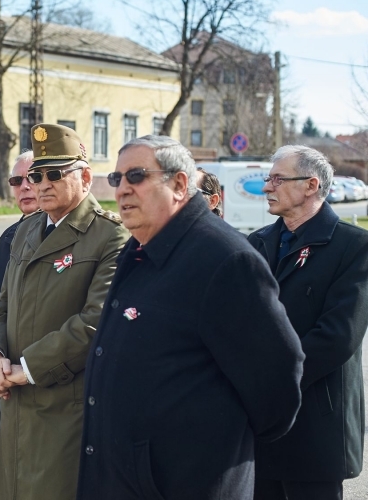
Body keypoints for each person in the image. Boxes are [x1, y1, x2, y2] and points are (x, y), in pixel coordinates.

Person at [76, 135, 304, 500]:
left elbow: (276, 378)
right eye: (117, 179)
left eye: (137, 176)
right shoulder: (138, 247)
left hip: (187, 484)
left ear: (180, 184)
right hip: (121, 480)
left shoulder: (225, 259)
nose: (122, 190)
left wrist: (221, 443)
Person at [0, 123, 129, 500]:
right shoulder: (28, 229)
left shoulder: (111, 235)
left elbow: (96, 321)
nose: (41, 184)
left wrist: (26, 369)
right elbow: (1, 303)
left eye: (54, 174)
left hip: (63, 404)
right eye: (35, 175)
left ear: (85, 177)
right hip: (14, 403)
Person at [249, 145, 368, 500]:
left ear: (310, 185)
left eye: (276, 179)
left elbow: (338, 337)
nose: (267, 188)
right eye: (267, 179)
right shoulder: (257, 243)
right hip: (260, 423)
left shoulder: (354, 246)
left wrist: (272, 378)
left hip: (316, 425)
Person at [0, 150, 38, 427]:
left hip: (42, 374)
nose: (25, 186)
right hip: (5, 374)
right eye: (17, 181)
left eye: (33, 178)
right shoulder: (9, 236)